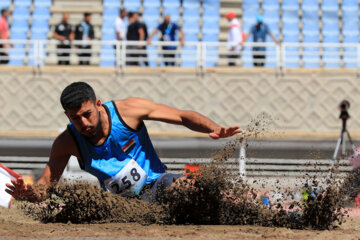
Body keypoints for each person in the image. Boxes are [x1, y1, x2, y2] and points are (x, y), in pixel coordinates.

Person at [5, 82, 241, 203]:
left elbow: (180, 116)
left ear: (98, 104)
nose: (84, 123)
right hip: (121, 206)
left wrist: (214, 128)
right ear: (67, 117)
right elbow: (46, 187)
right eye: (75, 118)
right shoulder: (66, 142)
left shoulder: (127, 111)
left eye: (87, 113)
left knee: (188, 186)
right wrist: (29, 195)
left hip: (159, 183)